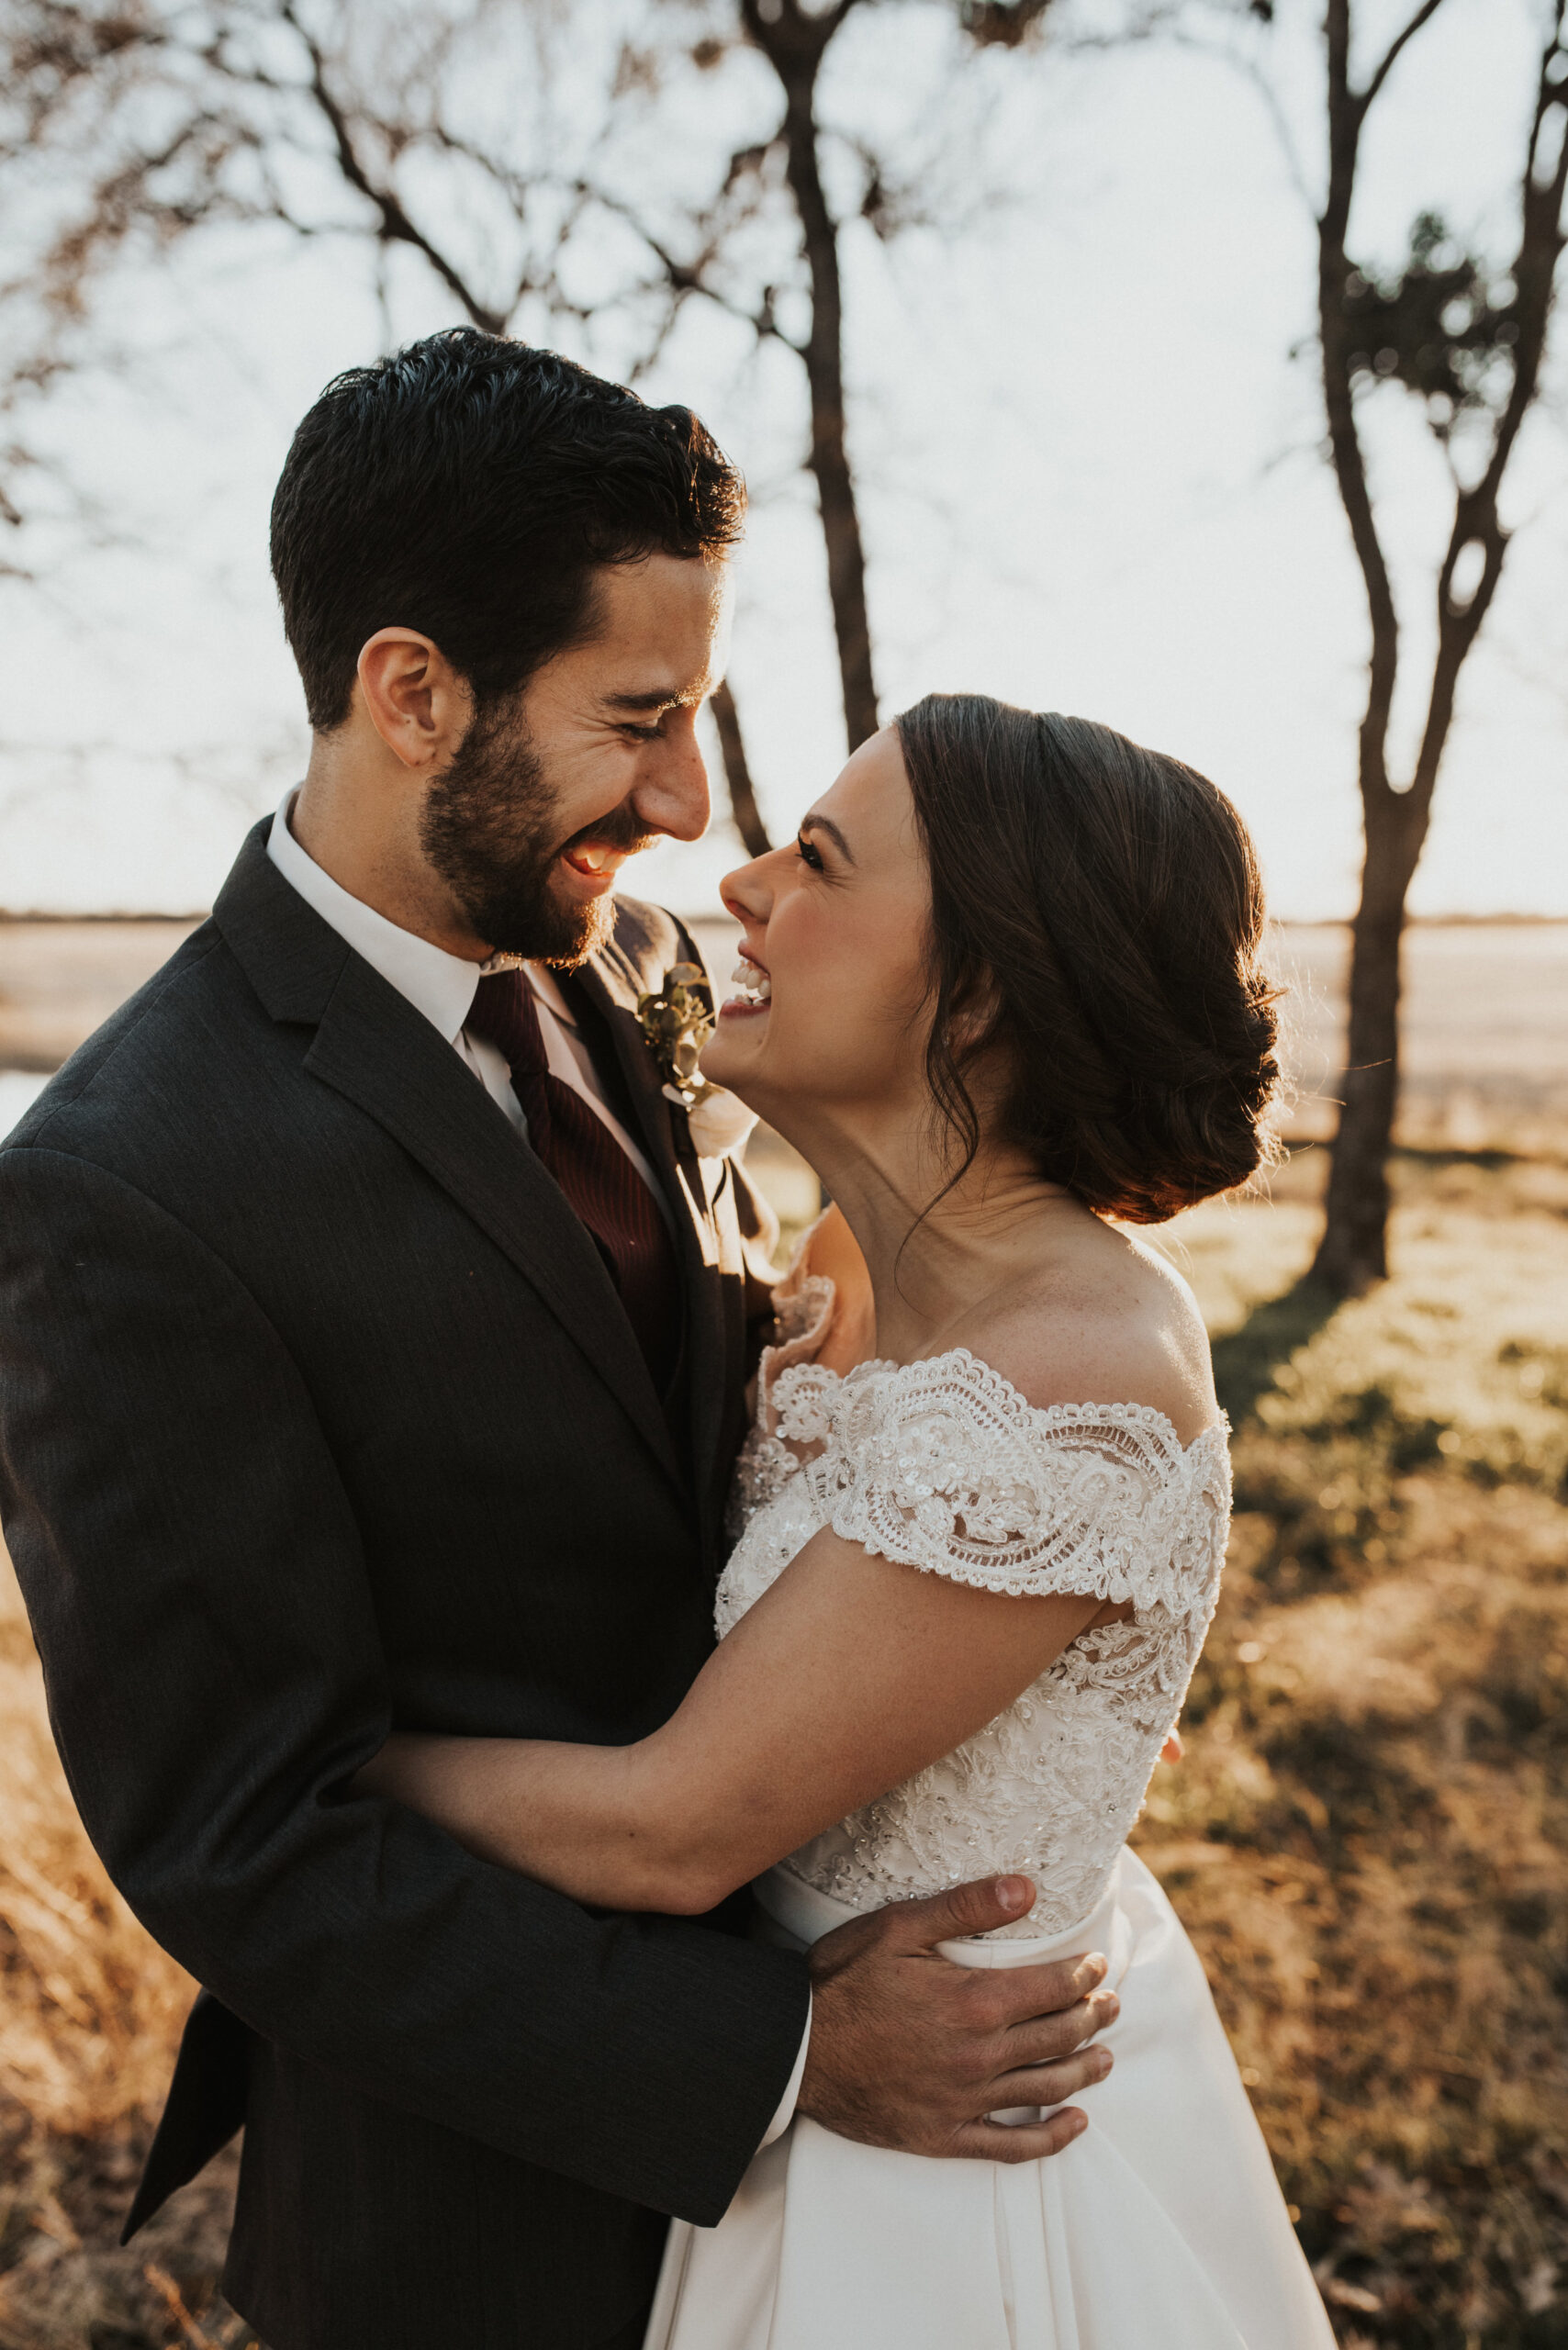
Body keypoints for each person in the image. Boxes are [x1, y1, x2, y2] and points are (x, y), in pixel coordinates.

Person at [0, 335, 1116, 2350]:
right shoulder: (125, 1188)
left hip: (874, 2191)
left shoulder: (625, 959)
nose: (691, 807)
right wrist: (776, 2052)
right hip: (476, 2210)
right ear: (411, 691)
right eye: (641, 719)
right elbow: (243, 1834)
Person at [355, 697, 1338, 2346]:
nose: (736, 886)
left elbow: (669, 1829)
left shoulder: (1072, 1375)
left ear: (980, 994)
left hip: (943, 2158)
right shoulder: (846, 1270)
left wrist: (307, 1752)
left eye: (816, 859)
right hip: (786, 2071)